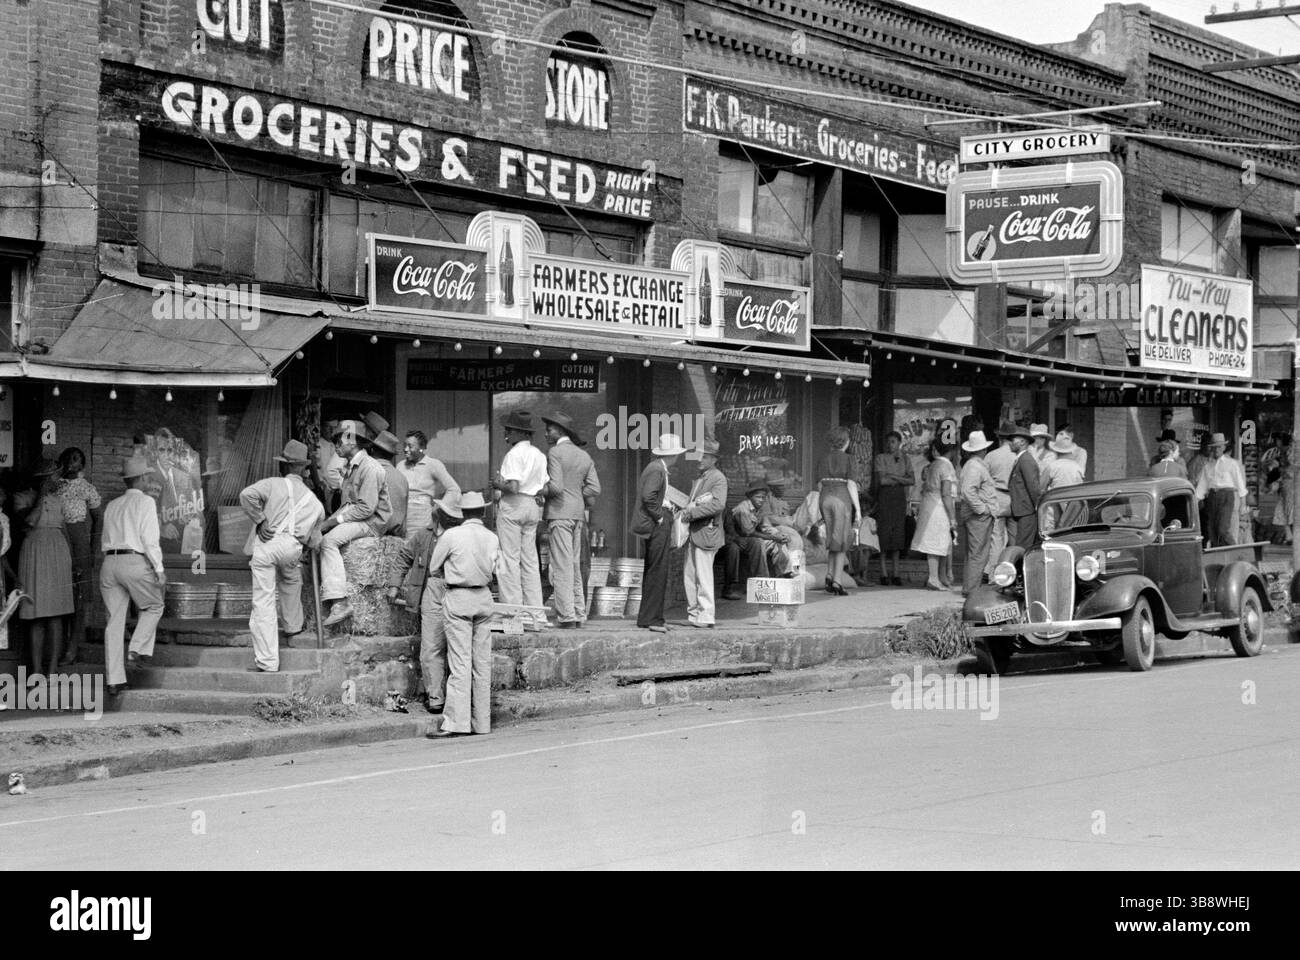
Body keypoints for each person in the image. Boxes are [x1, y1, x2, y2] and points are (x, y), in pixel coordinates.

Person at [238, 440, 326, 673]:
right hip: (292, 547)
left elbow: (246, 495)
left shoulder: (272, 484)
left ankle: (267, 661)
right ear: (303, 469)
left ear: (285, 466)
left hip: (267, 544)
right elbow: (315, 539)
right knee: (291, 580)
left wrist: (260, 519)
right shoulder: (315, 502)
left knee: (264, 600)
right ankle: (293, 628)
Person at [425, 491, 499, 738]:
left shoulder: (451, 535)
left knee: (460, 662)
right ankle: (482, 723)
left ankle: (457, 723)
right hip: (484, 597)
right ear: (484, 512)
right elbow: (498, 570)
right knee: (482, 663)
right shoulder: (492, 537)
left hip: (459, 597)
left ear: (461, 513)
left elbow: (434, 568)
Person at [99, 455, 166, 696]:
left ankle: (114, 680)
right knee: (154, 605)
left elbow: (104, 538)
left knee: (114, 621)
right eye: (147, 476)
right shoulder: (146, 502)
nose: (149, 479)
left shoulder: (112, 505)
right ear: (140, 479)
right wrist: (159, 569)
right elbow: (150, 539)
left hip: (109, 562)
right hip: (134, 560)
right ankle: (136, 648)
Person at [316, 420, 392, 627]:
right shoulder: (351, 467)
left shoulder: (370, 468)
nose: (335, 445)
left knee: (328, 542)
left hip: (371, 522)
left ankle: (340, 602)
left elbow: (366, 508)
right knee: (318, 537)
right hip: (359, 517)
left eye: (338, 440)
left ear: (353, 442)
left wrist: (333, 522)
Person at [388, 494, 459, 715]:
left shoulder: (461, 536)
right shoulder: (423, 536)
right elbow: (404, 557)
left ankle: (457, 698)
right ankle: (436, 697)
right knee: (431, 647)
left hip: (459, 591)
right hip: (434, 592)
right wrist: (394, 585)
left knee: (457, 649)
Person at [540, 411, 601, 629]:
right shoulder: (584, 456)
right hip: (577, 514)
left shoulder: (555, 452)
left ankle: (565, 616)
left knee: (561, 566)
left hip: (559, 513)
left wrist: (540, 490)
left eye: (549, 429)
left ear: (560, 431)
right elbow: (595, 488)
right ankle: (578, 613)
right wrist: (576, 492)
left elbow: (555, 487)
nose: (546, 433)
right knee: (575, 564)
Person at [16, 459, 75, 675]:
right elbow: (29, 522)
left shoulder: (59, 501)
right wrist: (40, 496)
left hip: (58, 552)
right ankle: (37, 669)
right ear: (43, 479)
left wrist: (71, 560)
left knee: (56, 613)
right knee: (37, 614)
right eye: (53, 477)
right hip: (34, 554)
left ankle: (52, 669)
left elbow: (65, 530)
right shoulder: (23, 498)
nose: (57, 480)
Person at [490, 410, 547, 609]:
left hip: (514, 505)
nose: (506, 434)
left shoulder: (514, 454)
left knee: (509, 560)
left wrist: (498, 484)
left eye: (509, 430)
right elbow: (544, 487)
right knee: (530, 561)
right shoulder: (539, 454)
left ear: (520, 432)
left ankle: (513, 611)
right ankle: (535, 612)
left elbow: (513, 487)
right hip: (532, 506)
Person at [630, 434, 685, 633]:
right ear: (673, 454)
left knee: (655, 570)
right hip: (657, 524)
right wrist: (660, 516)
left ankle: (651, 617)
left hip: (656, 522)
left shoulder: (657, 467)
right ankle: (652, 619)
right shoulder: (657, 469)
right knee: (658, 570)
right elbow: (649, 496)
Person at [55, 447, 102, 666]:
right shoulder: (54, 487)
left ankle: (72, 648)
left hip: (80, 539)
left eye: (76, 460)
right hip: (58, 540)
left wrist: (92, 549)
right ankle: (58, 646)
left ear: (82, 465)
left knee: (78, 595)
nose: (71, 463)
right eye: (68, 459)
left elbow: (97, 519)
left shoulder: (87, 488)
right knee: (60, 593)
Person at [680, 439, 727, 627]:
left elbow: (718, 505)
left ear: (714, 459)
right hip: (695, 532)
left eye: (704, 456)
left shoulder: (717, 478)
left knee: (704, 576)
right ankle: (694, 613)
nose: (699, 459)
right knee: (690, 575)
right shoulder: (702, 477)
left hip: (706, 532)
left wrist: (690, 514)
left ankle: (707, 615)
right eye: (699, 454)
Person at [818, 426, 862, 595]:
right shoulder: (850, 459)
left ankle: (829, 575)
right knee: (842, 540)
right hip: (841, 497)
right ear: (847, 442)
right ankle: (837, 581)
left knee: (832, 538)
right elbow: (851, 484)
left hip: (825, 497)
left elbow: (819, 484)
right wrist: (858, 510)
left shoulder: (823, 459)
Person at [911, 440, 958, 591]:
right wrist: (952, 516)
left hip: (929, 503)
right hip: (938, 507)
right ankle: (933, 577)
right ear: (951, 451)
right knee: (936, 543)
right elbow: (946, 493)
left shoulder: (933, 464)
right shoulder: (946, 465)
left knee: (943, 543)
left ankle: (940, 576)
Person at [959, 431, 1000, 596]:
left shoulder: (971, 465)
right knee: (978, 554)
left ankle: (969, 587)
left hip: (975, 515)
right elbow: (968, 491)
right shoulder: (975, 466)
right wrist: (982, 509)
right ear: (983, 450)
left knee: (974, 553)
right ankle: (972, 590)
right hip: (978, 516)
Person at [398, 429, 460, 534]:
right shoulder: (400, 465)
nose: (405, 449)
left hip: (423, 519)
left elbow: (454, 489)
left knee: (421, 547)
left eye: (410, 446)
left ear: (421, 448)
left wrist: (439, 508)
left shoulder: (433, 464)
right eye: (404, 445)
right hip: (403, 520)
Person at [721, 482, 777, 599]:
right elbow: (743, 531)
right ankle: (729, 587)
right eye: (758, 497)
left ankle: (760, 581)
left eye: (763, 497)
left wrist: (777, 535)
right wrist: (735, 539)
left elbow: (763, 526)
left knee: (757, 542)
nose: (761, 500)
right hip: (727, 540)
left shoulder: (758, 509)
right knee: (733, 549)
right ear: (750, 497)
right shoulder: (742, 509)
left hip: (740, 538)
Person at [1195, 432, 1247, 547]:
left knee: (1223, 529)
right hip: (1212, 497)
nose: (1216, 450)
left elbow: (1240, 484)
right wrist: (1195, 501)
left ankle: (1235, 552)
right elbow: (1201, 487)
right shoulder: (1208, 466)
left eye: (1219, 447)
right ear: (1211, 449)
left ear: (1224, 447)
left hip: (1226, 496)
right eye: (1214, 447)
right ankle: (1220, 557)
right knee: (1213, 531)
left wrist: (1243, 504)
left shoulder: (1232, 464)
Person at [874, 430, 910, 585]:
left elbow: (912, 480)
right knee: (884, 534)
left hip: (899, 499)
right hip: (885, 498)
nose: (890, 444)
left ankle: (896, 573)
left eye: (893, 441)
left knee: (897, 536)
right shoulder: (880, 458)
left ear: (899, 443)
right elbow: (882, 481)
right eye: (888, 442)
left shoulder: (906, 459)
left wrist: (893, 477)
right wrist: (901, 479)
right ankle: (883, 573)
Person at [985, 424, 1018, 577]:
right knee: (1015, 540)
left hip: (996, 497)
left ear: (999, 437)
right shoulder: (1018, 455)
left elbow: (984, 479)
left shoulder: (991, 456)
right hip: (1015, 499)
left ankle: (994, 576)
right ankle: (1013, 575)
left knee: (996, 540)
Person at [367, 430, 408, 538]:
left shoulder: (368, 472)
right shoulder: (402, 478)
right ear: (392, 456)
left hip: (371, 536)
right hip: (396, 539)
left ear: (372, 450)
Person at [1006, 424, 1042, 549]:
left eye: (1013, 440)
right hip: (1024, 511)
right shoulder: (1022, 459)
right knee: (1023, 545)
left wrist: (1038, 507)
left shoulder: (1026, 460)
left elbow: (1034, 488)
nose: (1010, 443)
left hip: (1027, 511)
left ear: (1022, 442)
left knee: (1023, 547)